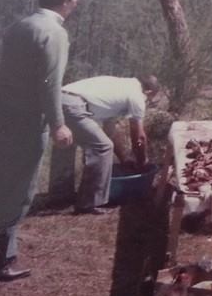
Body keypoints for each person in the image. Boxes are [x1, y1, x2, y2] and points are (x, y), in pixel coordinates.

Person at [0, 0, 83, 282]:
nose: (76, 5)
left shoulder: (20, 25)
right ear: (65, 0)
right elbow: (50, 84)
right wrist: (58, 124)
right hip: (25, 122)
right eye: (75, 0)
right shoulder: (54, 33)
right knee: (17, 192)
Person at [52, 74, 161, 214]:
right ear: (149, 92)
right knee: (102, 148)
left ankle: (60, 195)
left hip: (58, 99)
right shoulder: (137, 95)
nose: (148, 102)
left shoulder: (122, 87)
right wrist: (142, 161)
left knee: (69, 142)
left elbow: (110, 132)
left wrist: (124, 160)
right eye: (150, 99)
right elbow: (139, 137)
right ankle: (87, 203)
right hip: (73, 105)